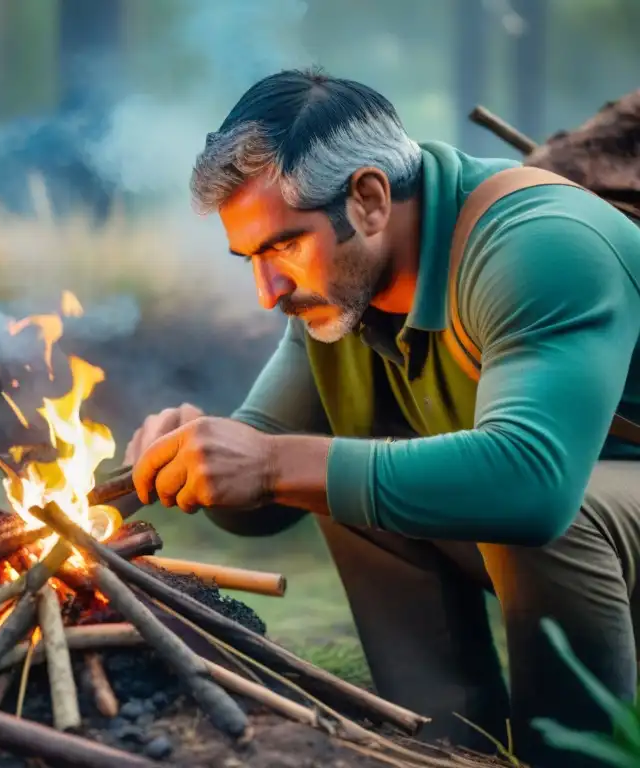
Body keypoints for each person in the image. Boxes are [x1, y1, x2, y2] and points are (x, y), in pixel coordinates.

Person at [122, 67, 640, 768]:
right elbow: (263, 498)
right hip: (580, 525)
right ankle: (447, 749)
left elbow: (533, 484)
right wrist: (204, 458)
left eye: (282, 246)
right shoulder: (340, 292)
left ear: (367, 199)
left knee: (517, 503)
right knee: (332, 476)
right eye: (249, 257)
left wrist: (274, 464)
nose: (267, 291)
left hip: (577, 505)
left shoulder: (538, 245)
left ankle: (584, 754)